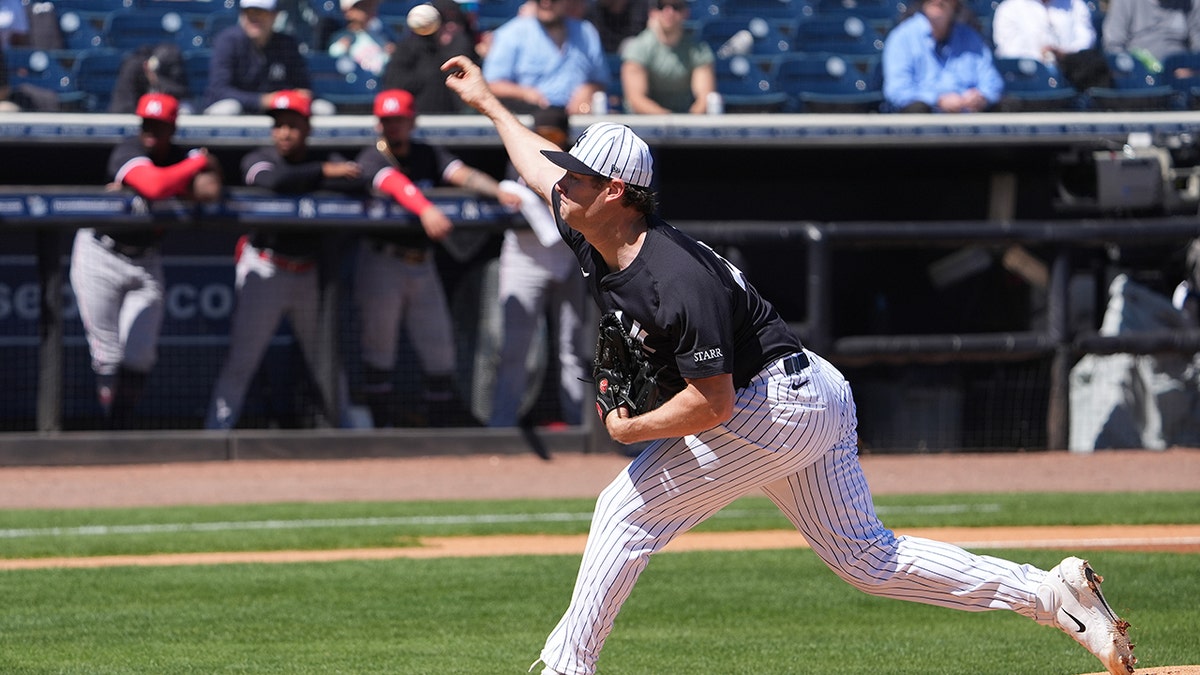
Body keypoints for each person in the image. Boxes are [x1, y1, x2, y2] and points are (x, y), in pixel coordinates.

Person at [440, 53, 1138, 675]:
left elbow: (712, 405)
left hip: (766, 407)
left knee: (625, 511)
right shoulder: (594, 227)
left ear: (617, 192)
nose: (564, 183)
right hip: (811, 390)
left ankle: (566, 668)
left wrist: (635, 428)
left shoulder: (674, 279)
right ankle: (1052, 594)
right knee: (868, 558)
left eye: (580, 176)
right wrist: (491, 106)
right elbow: (536, 164)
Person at [348, 88, 521, 427]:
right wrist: (426, 210)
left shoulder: (427, 152)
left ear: (412, 121)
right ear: (377, 124)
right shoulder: (371, 156)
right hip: (383, 262)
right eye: (387, 121)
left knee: (439, 350)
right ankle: (380, 433)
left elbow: (463, 174)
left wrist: (497, 189)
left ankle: (439, 433)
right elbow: (394, 183)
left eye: (399, 120)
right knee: (379, 350)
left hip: (421, 265)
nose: (393, 127)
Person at [205, 90, 360, 430]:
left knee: (327, 361)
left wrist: (325, 172)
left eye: (292, 125)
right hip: (267, 268)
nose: (284, 133)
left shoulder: (325, 156)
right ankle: (214, 436)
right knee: (242, 362)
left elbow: (358, 180)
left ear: (307, 128)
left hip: (308, 274)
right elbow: (271, 181)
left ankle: (350, 435)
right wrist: (323, 172)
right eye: (278, 126)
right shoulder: (260, 157)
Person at [70, 93, 222, 429]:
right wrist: (192, 169)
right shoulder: (129, 149)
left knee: (140, 354)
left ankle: (121, 424)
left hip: (146, 258)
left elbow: (211, 191)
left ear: (172, 127)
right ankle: (111, 431)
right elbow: (153, 186)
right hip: (100, 252)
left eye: (159, 125)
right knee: (107, 355)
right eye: (146, 124)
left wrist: (180, 178)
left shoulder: (177, 155)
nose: (150, 131)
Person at [489, 106, 588, 428]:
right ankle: (501, 427)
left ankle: (578, 427)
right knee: (514, 349)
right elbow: (509, 194)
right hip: (525, 259)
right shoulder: (520, 159)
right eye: (542, 135)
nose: (547, 142)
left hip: (568, 259)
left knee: (573, 348)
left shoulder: (577, 166)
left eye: (554, 136)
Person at [204, 0, 336, 116]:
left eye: (261, 12)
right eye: (249, 13)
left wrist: (298, 94)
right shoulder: (227, 41)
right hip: (242, 108)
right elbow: (219, 91)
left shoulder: (287, 43)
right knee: (229, 108)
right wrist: (262, 100)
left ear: (275, 15)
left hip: (279, 109)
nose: (255, 18)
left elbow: (302, 85)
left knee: (323, 108)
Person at [481, 0, 610, 115]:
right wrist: (524, 93)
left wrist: (588, 90)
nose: (546, 2)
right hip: (530, 121)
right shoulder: (512, 33)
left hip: (575, 121)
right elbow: (491, 84)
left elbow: (600, 80)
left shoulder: (586, 32)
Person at [882, 0, 1004, 113]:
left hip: (971, 122)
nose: (939, 1)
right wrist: (938, 99)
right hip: (923, 125)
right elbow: (897, 90)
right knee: (917, 108)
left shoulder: (970, 37)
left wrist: (981, 96)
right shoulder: (902, 37)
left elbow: (993, 82)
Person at [381, 0, 480, 114]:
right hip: (416, 121)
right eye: (444, 20)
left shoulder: (467, 49)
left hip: (458, 123)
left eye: (457, 20)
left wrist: (457, 48)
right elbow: (394, 85)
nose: (451, 26)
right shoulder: (409, 48)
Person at [619, 0, 716, 114]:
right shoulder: (637, 48)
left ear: (686, 12)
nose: (669, 11)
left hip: (687, 121)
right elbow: (635, 99)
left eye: (676, 7)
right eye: (661, 6)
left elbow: (705, 97)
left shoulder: (699, 51)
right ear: (652, 12)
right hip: (644, 124)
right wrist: (669, 121)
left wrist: (687, 123)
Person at [1102, 0, 1200, 72]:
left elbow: (1198, 44)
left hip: (1181, 75)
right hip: (1138, 77)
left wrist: (1191, 68)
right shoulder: (1124, 2)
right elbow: (1113, 45)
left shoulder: (1191, 3)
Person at [992, 0, 1096, 67]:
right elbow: (1009, 50)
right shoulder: (1008, 8)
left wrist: (1064, 54)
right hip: (1030, 75)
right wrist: (1042, 55)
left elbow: (1086, 39)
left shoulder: (1075, 4)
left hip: (1071, 70)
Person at [327, 0, 396, 76]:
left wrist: (390, 53)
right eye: (362, 6)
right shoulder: (340, 37)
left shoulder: (380, 38)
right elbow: (334, 59)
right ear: (347, 12)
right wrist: (340, 48)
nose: (369, 9)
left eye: (370, 6)